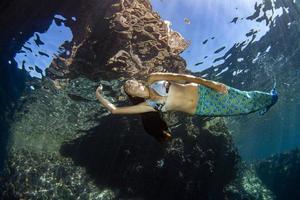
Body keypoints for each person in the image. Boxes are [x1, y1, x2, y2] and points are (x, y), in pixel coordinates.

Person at [96, 72, 278, 117]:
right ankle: (266, 104)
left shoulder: (153, 78)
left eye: (133, 83)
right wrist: (99, 95)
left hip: (206, 91)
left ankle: (271, 98)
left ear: (138, 81)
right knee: (240, 110)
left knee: (243, 98)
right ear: (133, 94)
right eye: (130, 89)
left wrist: (209, 83)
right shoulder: (147, 106)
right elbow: (115, 111)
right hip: (202, 108)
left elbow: (182, 77)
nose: (133, 87)